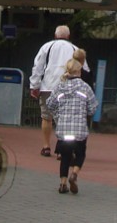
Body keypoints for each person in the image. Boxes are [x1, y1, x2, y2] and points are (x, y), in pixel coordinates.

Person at [30, 25, 89, 157]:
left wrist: (34, 86)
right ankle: (63, 150)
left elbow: (38, 67)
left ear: (55, 35)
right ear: (68, 36)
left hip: (48, 87)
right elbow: (85, 69)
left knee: (46, 118)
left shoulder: (46, 47)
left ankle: (46, 147)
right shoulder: (75, 49)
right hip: (68, 88)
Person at [45, 58, 98, 194]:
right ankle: (74, 174)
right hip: (79, 129)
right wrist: (86, 112)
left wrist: (58, 114)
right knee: (80, 154)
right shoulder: (85, 87)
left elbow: (50, 104)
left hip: (63, 129)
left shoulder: (59, 87)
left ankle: (62, 184)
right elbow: (93, 107)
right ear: (79, 71)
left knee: (65, 157)